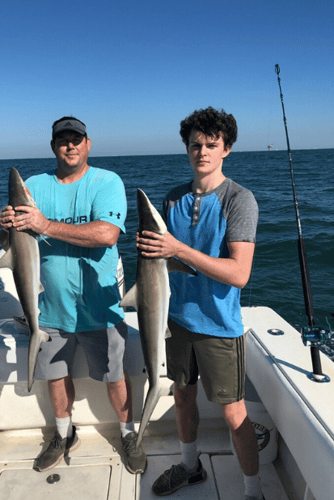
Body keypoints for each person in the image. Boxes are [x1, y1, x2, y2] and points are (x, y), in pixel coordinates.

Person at [0, 116, 147, 474]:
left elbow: (107, 234)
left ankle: (128, 434)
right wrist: (5, 228)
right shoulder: (34, 186)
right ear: (53, 147)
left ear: (88, 144)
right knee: (55, 376)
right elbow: (16, 244)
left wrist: (44, 224)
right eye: (62, 140)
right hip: (49, 308)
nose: (70, 145)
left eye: (76, 139)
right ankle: (64, 434)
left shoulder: (106, 182)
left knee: (115, 377)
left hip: (101, 307)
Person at [137, 107, 262, 499]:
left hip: (219, 326)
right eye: (195, 144)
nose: (202, 151)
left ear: (227, 149)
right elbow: (172, 261)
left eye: (212, 144)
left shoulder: (239, 200)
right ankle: (190, 467)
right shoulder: (172, 198)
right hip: (175, 321)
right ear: (186, 148)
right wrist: (156, 254)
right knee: (183, 396)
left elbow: (239, 273)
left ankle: (251, 492)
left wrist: (179, 249)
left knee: (233, 414)